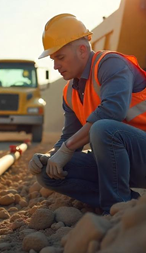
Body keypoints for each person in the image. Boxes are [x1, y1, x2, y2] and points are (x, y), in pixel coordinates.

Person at [29, 13, 146, 214]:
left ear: (82, 50)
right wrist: (49, 156)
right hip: (118, 162)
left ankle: (116, 211)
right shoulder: (70, 92)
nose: (55, 66)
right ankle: (130, 202)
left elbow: (113, 111)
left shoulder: (110, 64)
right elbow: (68, 138)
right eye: (53, 59)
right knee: (47, 172)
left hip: (141, 153)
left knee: (103, 127)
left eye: (60, 57)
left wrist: (65, 150)